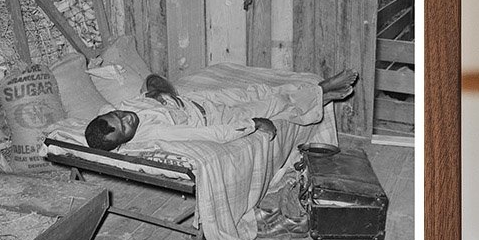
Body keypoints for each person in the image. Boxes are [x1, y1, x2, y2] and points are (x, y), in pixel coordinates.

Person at [84, 69, 358, 151]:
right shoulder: (156, 133)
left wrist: (155, 89)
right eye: (124, 128)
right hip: (215, 118)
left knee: (259, 90)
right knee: (272, 104)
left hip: (197, 100)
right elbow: (210, 135)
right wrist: (253, 124)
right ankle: (321, 88)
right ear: (123, 142)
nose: (127, 119)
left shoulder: (121, 111)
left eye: (118, 116)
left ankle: (319, 96)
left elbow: (136, 94)